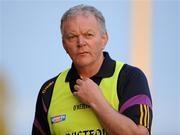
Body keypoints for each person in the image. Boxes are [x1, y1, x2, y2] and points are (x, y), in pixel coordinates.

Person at [32, 4, 153, 135]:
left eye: (88, 35)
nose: (81, 43)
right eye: (72, 37)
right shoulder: (49, 90)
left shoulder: (130, 77)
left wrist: (96, 100)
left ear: (104, 39)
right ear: (64, 44)